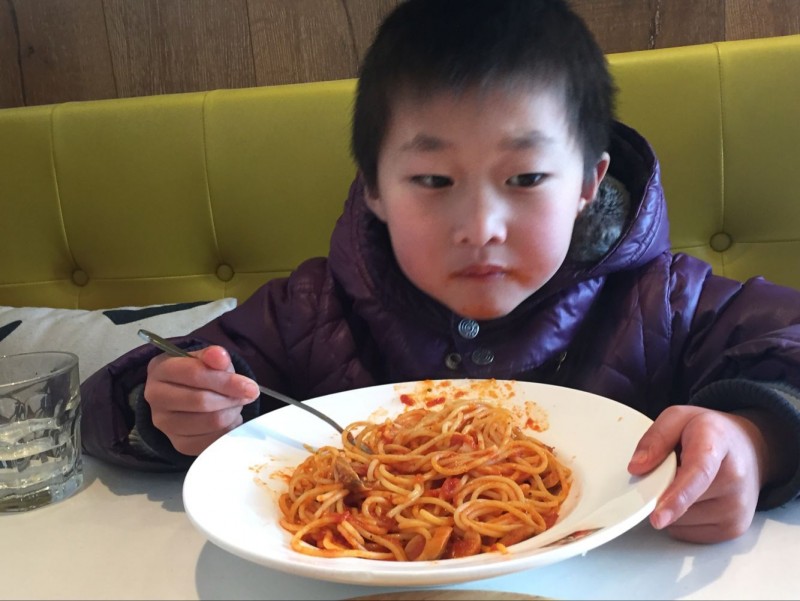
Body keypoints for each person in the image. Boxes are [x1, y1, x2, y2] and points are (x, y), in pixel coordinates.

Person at [81, 0, 800, 545]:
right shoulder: (314, 305)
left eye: (525, 177)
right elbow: (125, 398)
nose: (480, 225)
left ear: (588, 182)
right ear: (374, 189)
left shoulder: (663, 298)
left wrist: (756, 439)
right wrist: (165, 409)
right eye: (432, 179)